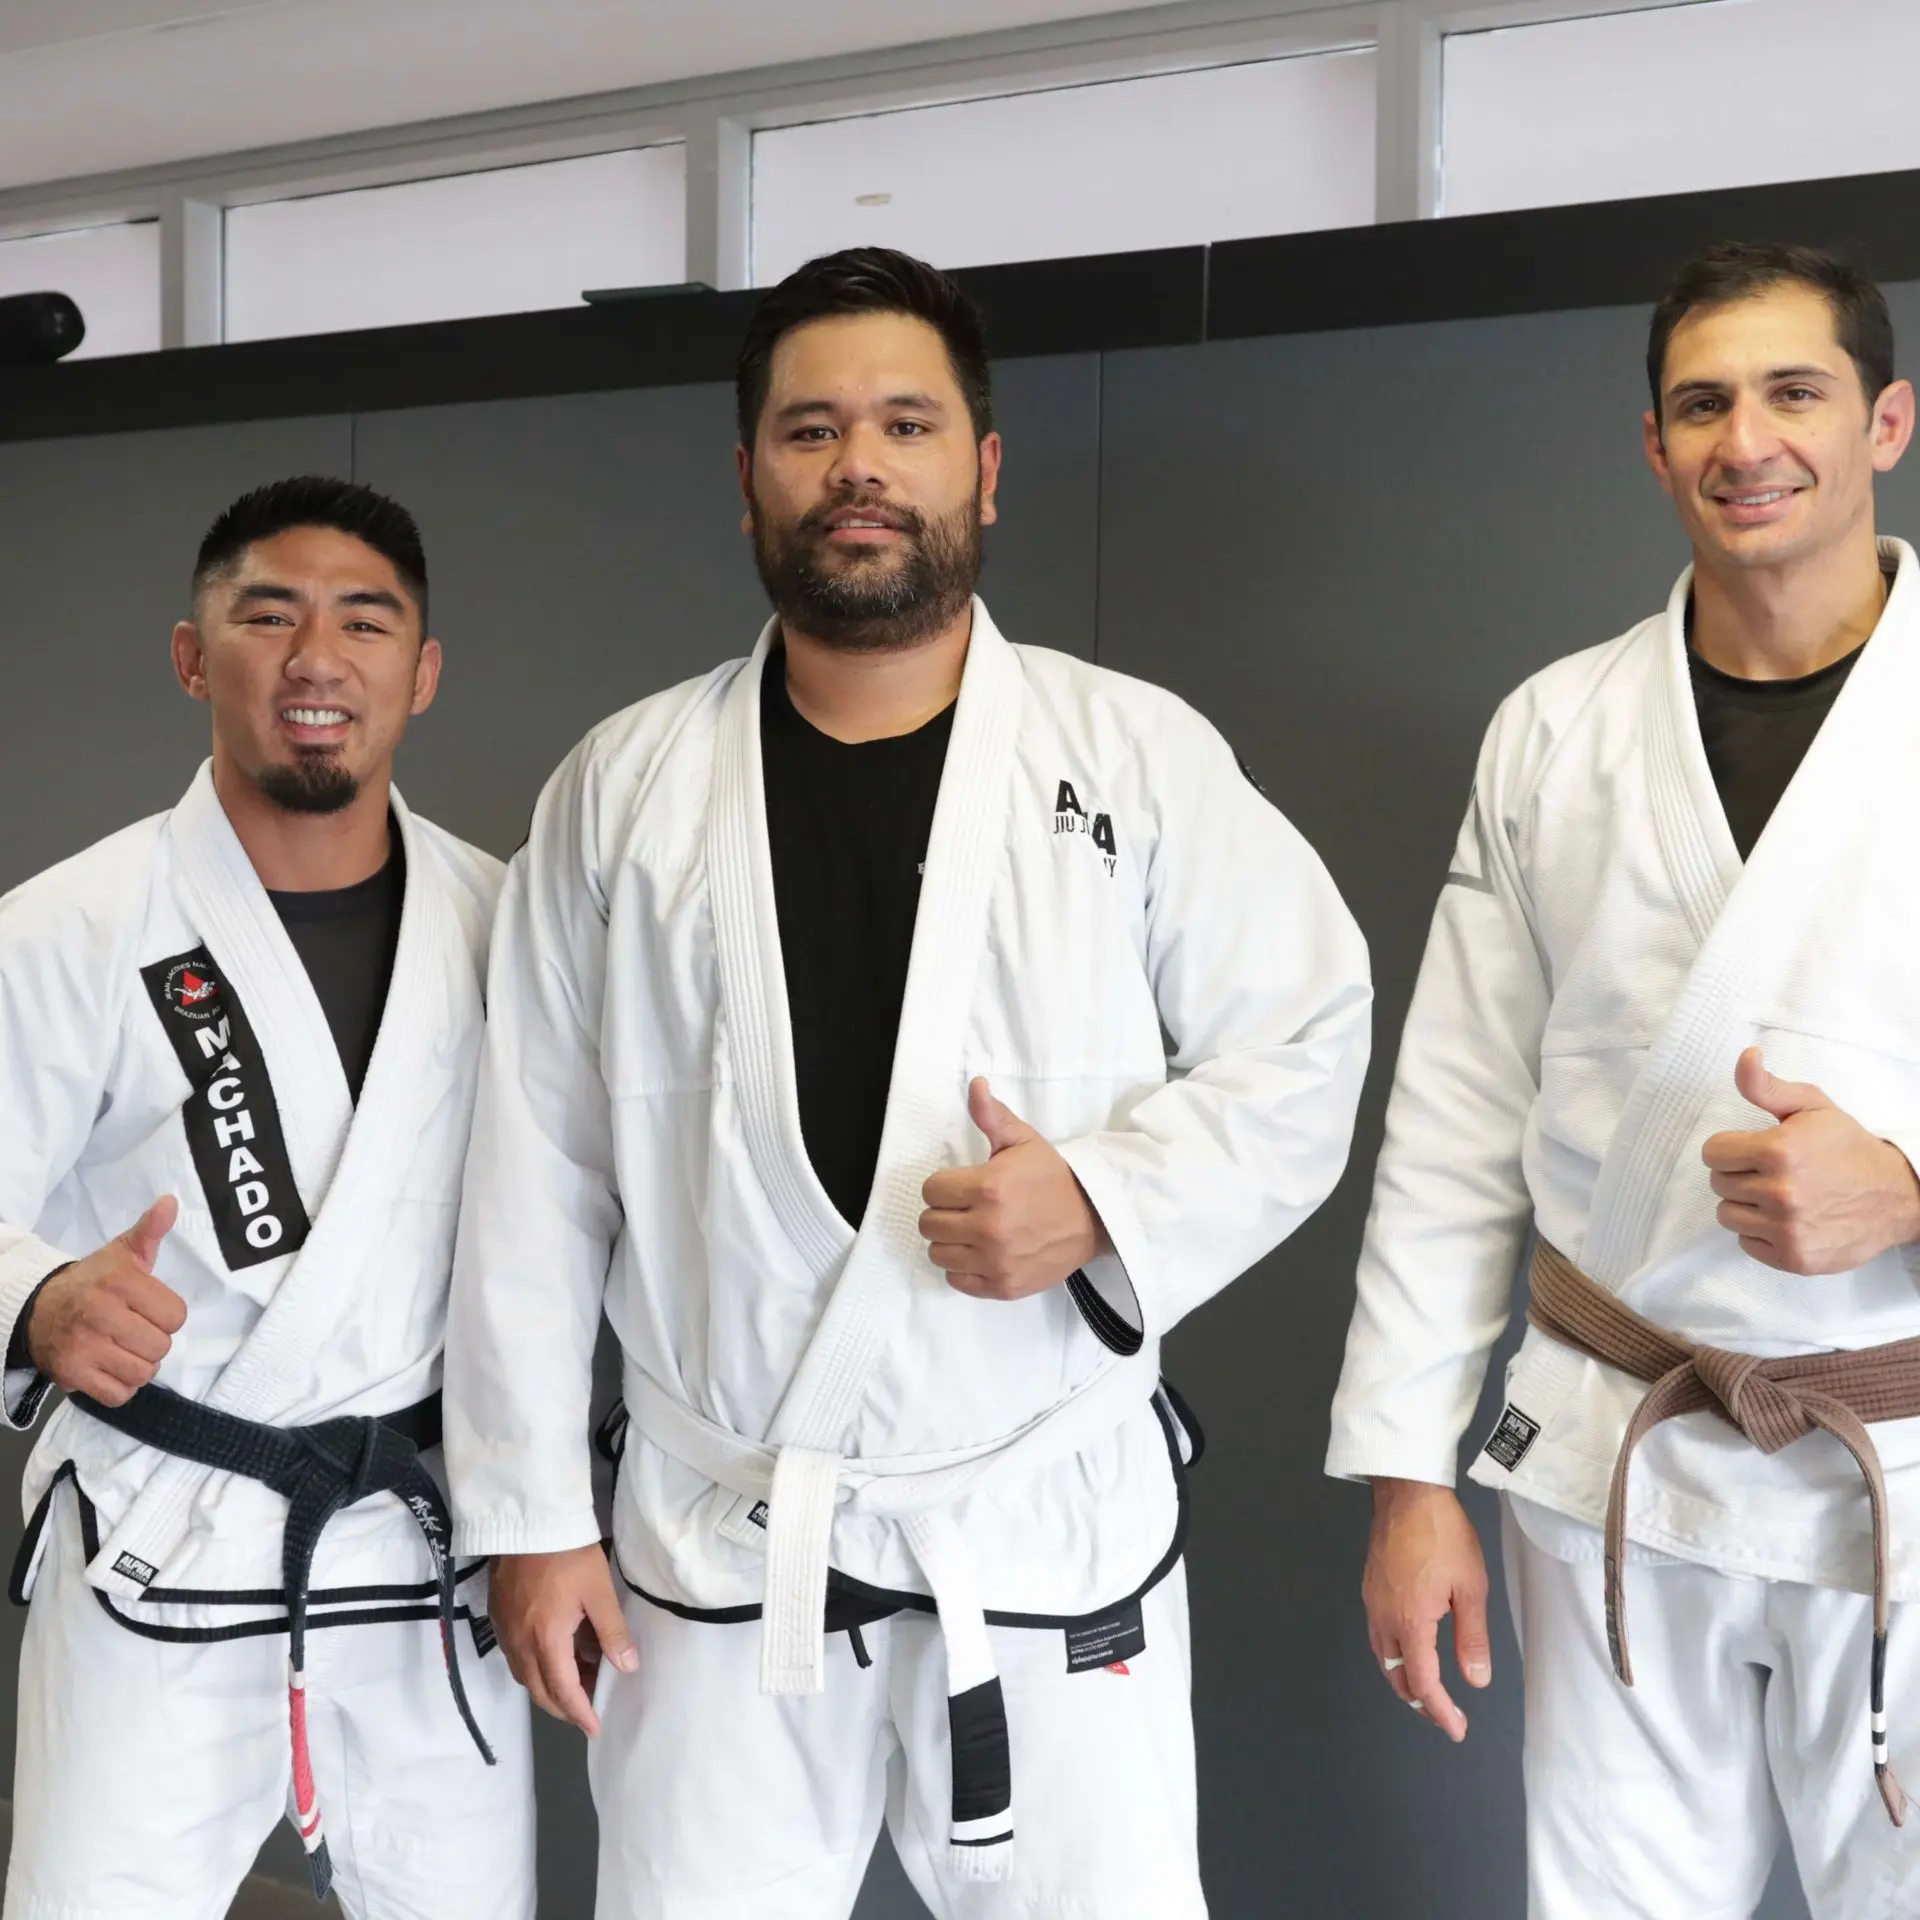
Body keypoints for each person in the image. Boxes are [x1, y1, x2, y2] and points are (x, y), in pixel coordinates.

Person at [445, 245, 1371, 1920]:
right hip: (721, 1529)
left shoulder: (1135, 755)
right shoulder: (623, 785)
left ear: (986, 471)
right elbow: (533, 1165)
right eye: (809, 430)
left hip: (1039, 1511)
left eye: (905, 424)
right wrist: (528, 1514)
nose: (857, 465)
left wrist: (1104, 1199)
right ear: (746, 484)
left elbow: (1304, 1039)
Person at [1327, 240, 1920, 1917]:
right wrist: (1407, 1481)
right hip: (1616, 1456)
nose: (1749, 439)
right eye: (1703, 403)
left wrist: (1912, 1194)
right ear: (1652, 447)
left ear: (1886, 424)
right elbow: (1447, 1132)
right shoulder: (1555, 735)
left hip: (1906, 1459)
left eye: (1794, 391)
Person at [0, 477, 534, 1919]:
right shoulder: (71, 927)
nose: (317, 657)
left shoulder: (507, 927)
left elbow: (573, 1230)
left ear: (420, 675)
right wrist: (37, 1298)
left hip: (421, 1548)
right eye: (268, 616)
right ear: (193, 657)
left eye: (366, 623)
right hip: (161, 1532)